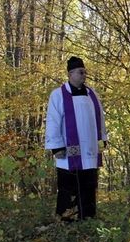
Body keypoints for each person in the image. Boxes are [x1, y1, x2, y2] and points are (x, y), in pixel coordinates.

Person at [45, 56, 107, 221]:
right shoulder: (58, 95)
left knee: (89, 184)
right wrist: (56, 146)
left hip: (90, 150)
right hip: (67, 151)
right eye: (81, 72)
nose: (84, 75)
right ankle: (67, 218)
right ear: (70, 73)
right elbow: (52, 121)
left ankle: (88, 216)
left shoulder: (92, 94)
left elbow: (101, 117)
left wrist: (103, 139)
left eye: (84, 72)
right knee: (69, 185)